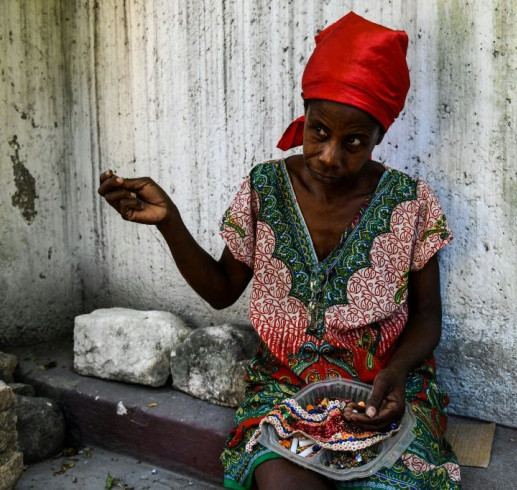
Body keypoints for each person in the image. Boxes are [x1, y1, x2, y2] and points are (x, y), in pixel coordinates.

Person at [99, 11, 459, 490]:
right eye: (319, 132)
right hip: (286, 388)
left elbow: (428, 316)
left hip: (385, 388)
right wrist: (171, 223)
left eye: (354, 141)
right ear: (304, 116)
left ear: (380, 135)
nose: (330, 156)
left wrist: (395, 372)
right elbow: (223, 290)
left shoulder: (411, 202)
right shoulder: (265, 188)